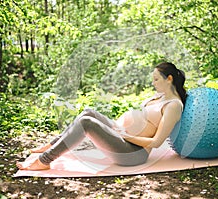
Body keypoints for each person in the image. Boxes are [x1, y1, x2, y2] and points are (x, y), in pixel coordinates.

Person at [17, 62, 187, 170]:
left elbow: (156, 143)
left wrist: (124, 134)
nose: (153, 83)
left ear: (169, 79)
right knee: (87, 112)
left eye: (156, 79)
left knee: (86, 123)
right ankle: (51, 145)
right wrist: (121, 129)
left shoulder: (173, 106)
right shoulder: (161, 96)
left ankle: (44, 161)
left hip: (133, 152)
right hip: (122, 136)